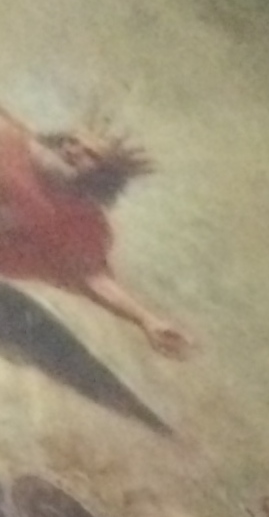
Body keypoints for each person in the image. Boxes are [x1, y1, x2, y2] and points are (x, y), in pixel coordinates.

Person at [0, 112, 189, 359]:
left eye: (91, 154)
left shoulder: (83, 224)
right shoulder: (10, 141)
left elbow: (94, 278)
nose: (73, 150)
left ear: (104, 176)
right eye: (72, 141)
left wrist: (147, 320)